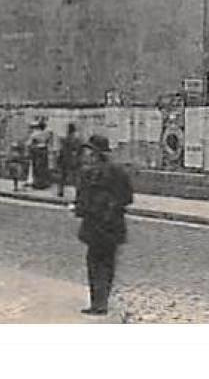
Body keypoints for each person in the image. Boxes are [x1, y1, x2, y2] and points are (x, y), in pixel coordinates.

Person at [73, 134, 133, 316]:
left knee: (94, 263)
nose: (86, 154)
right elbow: (128, 198)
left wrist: (78, 210)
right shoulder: (120, 171)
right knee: (108, 264)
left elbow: (81, 202)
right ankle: (103, 301)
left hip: (94, 225)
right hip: (114, 225)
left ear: (94, 153)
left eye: (89, 150)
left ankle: (96, 303)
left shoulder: (87, 172)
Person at [57, 122, 83, 199]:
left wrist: (59, 158)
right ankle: (77, 193)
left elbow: (62, 150)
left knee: (63, 176)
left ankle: (61, 191)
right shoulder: (77, 139)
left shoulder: (66, 138)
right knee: (75, 176)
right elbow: (78, 150)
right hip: (72, 159)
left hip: (65, 159)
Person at [27, 117, 54, 190]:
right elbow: (50, 142)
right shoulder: (48, 132)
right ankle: (43, 183)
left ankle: (38, 183)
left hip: (37, 151)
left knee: (37, 168)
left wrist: (32, 147)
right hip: (44, 150)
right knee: (43, 167)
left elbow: (29, 144)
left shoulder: (35, 134)